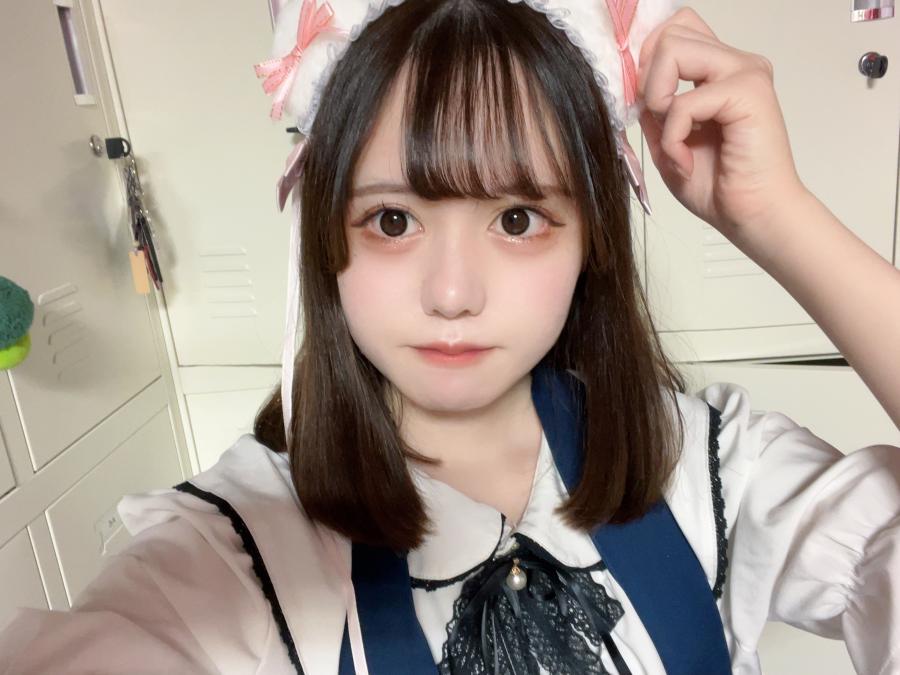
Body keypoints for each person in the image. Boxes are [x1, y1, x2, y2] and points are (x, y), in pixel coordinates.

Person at [2, 1, 899, 673]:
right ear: (325, 236)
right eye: (393, 220)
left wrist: (778, 216)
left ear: (591, 237)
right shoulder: (238, 552)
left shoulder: (706, 467)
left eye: (517, 218)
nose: (453, 293)